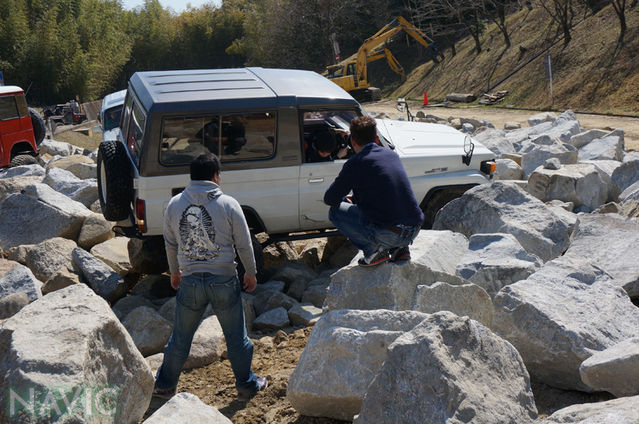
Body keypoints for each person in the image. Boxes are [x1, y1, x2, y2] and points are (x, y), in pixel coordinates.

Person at [153, 152, 268, 400]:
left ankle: (164, 385)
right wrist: (250, 272)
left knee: (180, 339)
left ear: (191, 177)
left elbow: (170, 244)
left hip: (191, 281)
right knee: (236, 338)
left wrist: (174, 271)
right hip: (224, 279)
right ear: (216, 176)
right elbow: (245, 245)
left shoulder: (174, 204)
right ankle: (246, 386)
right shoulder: (228, 203)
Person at [323, 116, 424, 266]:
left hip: (390, 234)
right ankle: (400, 250)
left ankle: (373, 251)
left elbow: (330, 199)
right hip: (413, 230)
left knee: (335, 211)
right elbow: (384, 190)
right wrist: (355, 198)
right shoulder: (391, 155)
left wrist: (347, 200)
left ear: (352, 141)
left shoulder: (355, 163)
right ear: (376, 139)